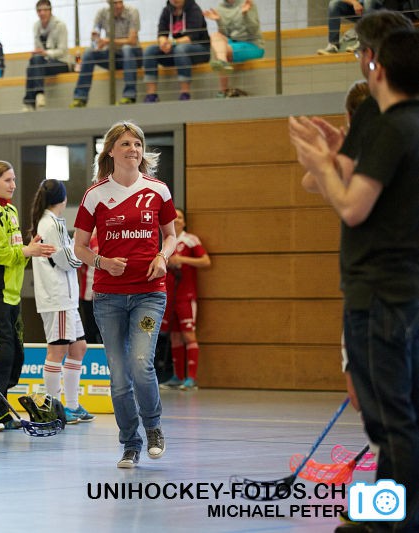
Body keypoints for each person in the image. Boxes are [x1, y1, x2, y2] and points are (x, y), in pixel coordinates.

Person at [289, 27, 419, 533]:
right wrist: (341, 154)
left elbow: (352, 206)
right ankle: (380, 516)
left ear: (376, 65)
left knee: (390, 420)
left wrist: (323, 162)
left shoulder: (391, 127)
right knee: (397, 416)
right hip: (398, 288)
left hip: (384, 291)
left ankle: (394, 523)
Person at [73, 121, 177, 469]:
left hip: (149, 294)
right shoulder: (96, 194)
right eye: (126, 144)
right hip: (109, 298)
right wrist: (102, 261)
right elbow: (80, 247)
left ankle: (154, 428)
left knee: (141, 364)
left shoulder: (158, 190)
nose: (133, 149)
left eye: (137, 143)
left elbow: (171, 235)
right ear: (111, 151)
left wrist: (163, 256)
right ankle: (129, 443)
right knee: (119, 375)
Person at [0, 161, 55, 432]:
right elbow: (0, 254)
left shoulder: (11, 211)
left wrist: (29, 249)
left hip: (10, 295)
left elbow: (15, 254)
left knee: (14, 355)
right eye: (7, 180)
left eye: (14, 180)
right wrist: (28, 252)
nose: (13, 185)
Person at [29, 179, 94, 423]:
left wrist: (75, 251)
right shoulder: (50, 224)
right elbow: (66, 260)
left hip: (66, 299)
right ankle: (52, 408)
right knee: (57, 350)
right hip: (57, 298)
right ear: (64, 199)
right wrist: (81, 252)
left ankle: (72, 405)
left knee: (79, 348)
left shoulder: (52, 223)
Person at [159, 208, 210, 391]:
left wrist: (182, 260)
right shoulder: (167, 242)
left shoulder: (190, 240)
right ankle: (177, 376)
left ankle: (192, 379)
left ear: (185, 222)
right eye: (174, 217)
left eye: (180, 217)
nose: (177, 220)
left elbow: (205, 261)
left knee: (189, 335)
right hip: (170, 297)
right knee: (175, 337)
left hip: (186, 296)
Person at [70, 1, 142, 108]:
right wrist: (96, 44)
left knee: (127, 49)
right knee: (89, 53)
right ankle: (80, 98)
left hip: (133, 56)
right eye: (114, 3)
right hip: (113, 56)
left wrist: (109, 41)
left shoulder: (132, 12)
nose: (118, 6)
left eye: (120, 2)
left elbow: (132, 41)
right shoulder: (102, 13)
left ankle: (129, 95)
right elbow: (95, 36)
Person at [143, 0, 210, 103]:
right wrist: (163, 43)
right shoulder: (167, 10)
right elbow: (161, 32)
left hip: (200, 49)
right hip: (177, 49)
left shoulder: (194, 9)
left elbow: (192, 37)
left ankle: (185, 94)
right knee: (150, 50)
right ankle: (151, 95)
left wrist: (172, 43)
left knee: (180, 49)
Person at [203, 0, 264, 98]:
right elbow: (225, 34)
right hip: (233, 43)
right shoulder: (221, 7)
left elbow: (254, 30)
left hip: (252, 44)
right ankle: (223, 62)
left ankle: (222, 91)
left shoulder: (247, 3)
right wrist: (218, 20)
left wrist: (245, 14)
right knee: (215, 36)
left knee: (221, 51)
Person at [22, 0, 70, 111]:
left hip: (61, 62)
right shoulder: (36, 26)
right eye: (39, 10)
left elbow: (62, 51)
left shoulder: (60, 25)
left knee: (33, 65)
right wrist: (39, 53)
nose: (42, 13)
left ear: (50, 11)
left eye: (45, 10)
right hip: (43, 63)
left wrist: (46, 53)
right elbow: (39, 50)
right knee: (34, 62)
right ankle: (38, 96)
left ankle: (29, 101)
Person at [317, 0, 381, 55]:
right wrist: (354, 2)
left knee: (368, 1)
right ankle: (333, 45)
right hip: (360, 9)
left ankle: (363, 42)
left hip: (378, 9)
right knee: (334, 3)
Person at [78, 228, 102, 344]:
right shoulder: (87, 241)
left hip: (107, 295)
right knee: (90, 329)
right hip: (88, 295)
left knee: (105, 330)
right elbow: (78, 268)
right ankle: (92, 359)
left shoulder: (108, 239)